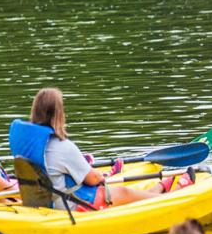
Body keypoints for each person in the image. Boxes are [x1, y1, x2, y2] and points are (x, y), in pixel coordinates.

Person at [9, 88, 184, 211]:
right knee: (123, 191)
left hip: (45, 201)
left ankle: (157, 189)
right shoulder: (62, 147)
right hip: (70, 204)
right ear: (58, 115)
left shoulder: (25, 145)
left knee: (124, 194)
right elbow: (93, 179)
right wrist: (101, 175)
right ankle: (172, 200)